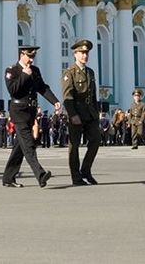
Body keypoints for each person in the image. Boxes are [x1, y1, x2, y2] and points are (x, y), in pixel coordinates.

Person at [1, 45, 61, 189]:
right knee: (28, 144)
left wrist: (55, 101)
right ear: (21, 55)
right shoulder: (12, 70)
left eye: (33, 57)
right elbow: (13, 90)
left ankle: (8, 177)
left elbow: (42, 88)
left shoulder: (35, 71)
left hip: (31, 111)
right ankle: (40, 175)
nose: (31, 60)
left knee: (20, 146)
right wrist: (24, 75)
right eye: (29, 56)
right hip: (18, 111)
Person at [61, 40, 100, 185]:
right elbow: (67, 96)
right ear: (75, 54)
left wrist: (96, 113)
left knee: (96, 140)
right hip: (77, 114)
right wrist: (73, 115)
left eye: (86, 53)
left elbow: (93, 95)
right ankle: (76, 176)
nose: (85, 56)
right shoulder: (69, 73)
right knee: (74, 145)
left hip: (90, 114)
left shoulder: (90, 72)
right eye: (82, 53)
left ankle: (86, 170)